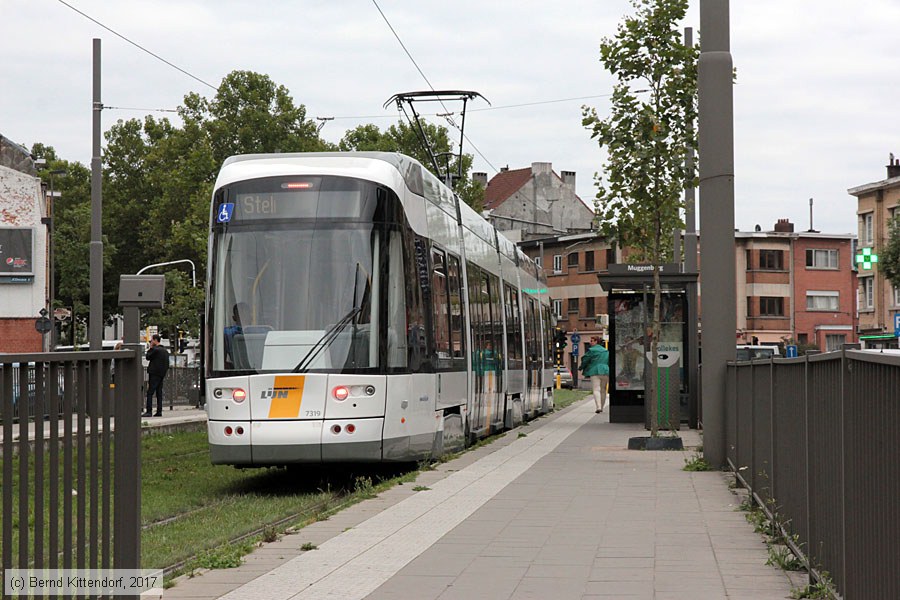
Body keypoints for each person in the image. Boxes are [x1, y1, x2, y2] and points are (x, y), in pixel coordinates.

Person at [580, 336, 610, 414]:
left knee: (596, 389)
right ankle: (602, 407)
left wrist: (581, 367)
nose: (590, 342)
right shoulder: (606, 351)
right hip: (605, 371)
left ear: (596, 342)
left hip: (595, 370)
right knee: (603, 389)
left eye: (592, 341)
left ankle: (598, 407)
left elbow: (585, 360)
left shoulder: (591, 350)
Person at [143, 334, 169, 417]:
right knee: (159, 392)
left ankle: (149, 411)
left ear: (155, 340)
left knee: (150, 392)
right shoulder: (165, 351)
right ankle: (159, 410)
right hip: (161, 373)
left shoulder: (155, 349)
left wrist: (150, 347)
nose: (151, 342)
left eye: (152, 340)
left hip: (154, 373)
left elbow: (148, 357)